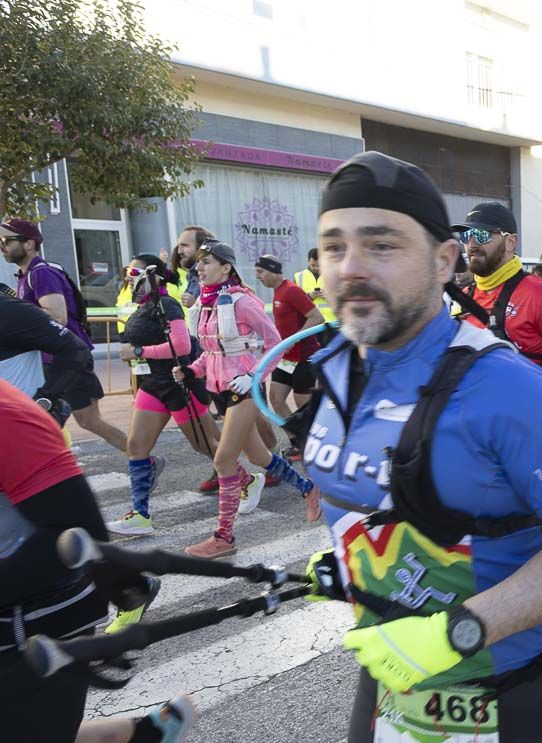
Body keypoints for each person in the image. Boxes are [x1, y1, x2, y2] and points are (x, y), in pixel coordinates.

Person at [302, 151, 542, 743]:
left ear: (443, 261)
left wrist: (457, 631)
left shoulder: (507, 387)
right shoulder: (341, 364)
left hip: (510, 670)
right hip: (400, 662)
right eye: (334, 245)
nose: (351, 267)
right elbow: (379, 500)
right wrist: (349, 564)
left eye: (382, 244)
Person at [0, 381, 196, 743]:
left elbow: (79, 530)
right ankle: (145, 732)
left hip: (33, 616)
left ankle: (144, 732)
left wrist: (122, 591)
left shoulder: (4, 414)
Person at [172, 240, 322, 558]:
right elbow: (213, 352)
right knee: (259, 457)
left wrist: (254, 375)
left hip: (244, 390)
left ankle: (223, 537)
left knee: (224, 460)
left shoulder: (242, 302)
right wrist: (190, 370)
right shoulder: (206, 302)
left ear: (226, 268)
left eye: (206, 262)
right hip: (223, 391)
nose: (199, 268)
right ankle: (309, 489)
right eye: (198, 264)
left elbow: (274, 343)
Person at [107, 255, 221, 539]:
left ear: (152, 275)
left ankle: (244, 480)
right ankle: (140, 514)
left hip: (178, 383)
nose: (129, 276)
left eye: (134, 270)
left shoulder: (167, 304)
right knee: (136, 446)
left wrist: (138, 353)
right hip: (152, 384)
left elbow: (182, 347)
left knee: (206, 446)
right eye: (127, 270)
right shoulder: (143, 305)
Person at [2, 218, 128, 453]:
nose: (2, 246)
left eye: (6, 240)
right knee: (67, 421)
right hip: (55, 359)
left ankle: (141, 459)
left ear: (29, 244)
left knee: (87, 420)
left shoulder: (41, 274)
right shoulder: (26, 275)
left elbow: (57, 316)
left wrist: (18, 313)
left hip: (65, 358)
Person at [456, 202, 542, 390]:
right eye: (466, 236)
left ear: (510, 242)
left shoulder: (539, 293)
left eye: (481, 235)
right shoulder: (463, 297)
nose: (472, 245)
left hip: (531, 414)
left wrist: (518, 380)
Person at [255, 254, 325, 457]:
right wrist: (272, 344)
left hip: (304, 356)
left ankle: (319, 443)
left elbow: (317, 317)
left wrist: (294, 339)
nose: (258, 277)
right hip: (285, 358)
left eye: (261, 272)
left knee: (304, 404)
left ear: (273, 271)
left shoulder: (292, 290)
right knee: (276, 399)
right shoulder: (278, 292)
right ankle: (298, 441)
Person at [293, 247, 337, 324]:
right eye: (313, 265)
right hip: (309, 323)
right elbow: (294, 301)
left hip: (331, 322)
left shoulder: (333, 275)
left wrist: (329, 296)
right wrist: (309, 296)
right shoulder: (298, 276)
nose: (316, 268)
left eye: (319, 265)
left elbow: (343, 299)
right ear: (308, 261)